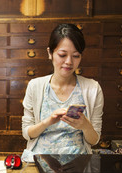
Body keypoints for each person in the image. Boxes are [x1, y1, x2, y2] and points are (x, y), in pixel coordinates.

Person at [21, 23, 104, 162]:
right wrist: (47, 122)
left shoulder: (93, 88)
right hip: (39, 159)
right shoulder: (35, 86)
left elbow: (94, 140)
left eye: (76, 56)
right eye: (62, 55)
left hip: (78, 162)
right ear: (50, 53)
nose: (69, 62)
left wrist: (85, 126)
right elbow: (27, 133)